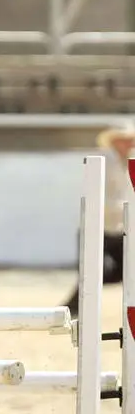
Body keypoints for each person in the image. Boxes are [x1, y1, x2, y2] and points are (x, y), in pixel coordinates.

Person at [63, 120, 135, 316]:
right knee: (94, 273)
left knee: (125, 270)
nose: (130, 144)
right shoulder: (103, 160)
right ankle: (73, 307)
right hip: (97, 227)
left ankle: (72, 306)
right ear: (115, 141)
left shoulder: (125, 162)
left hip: (117, 228)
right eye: (125, 140)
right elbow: (98, 196)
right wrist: (126, 209)